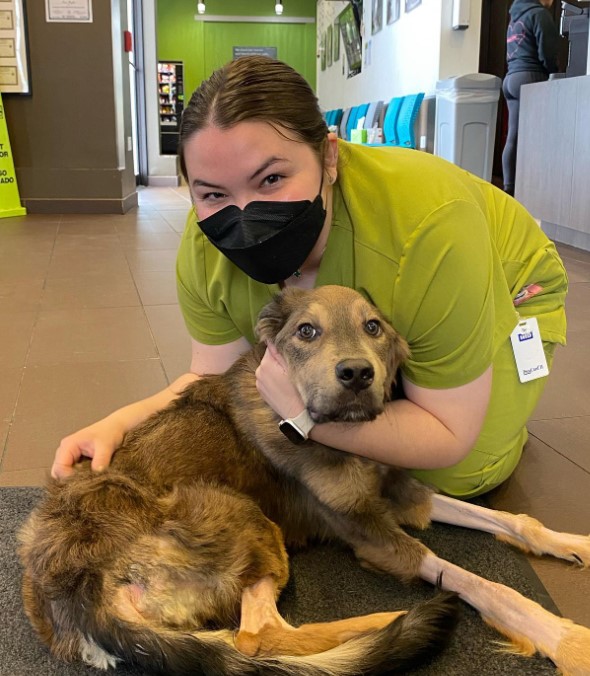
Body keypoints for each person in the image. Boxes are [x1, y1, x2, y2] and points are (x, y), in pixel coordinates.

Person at [52, 56, 568, 499]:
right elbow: (212, 376)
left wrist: (300, 415)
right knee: (360, 450)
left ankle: (473, 385)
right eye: (213, 194)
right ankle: (403, 388)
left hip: (516, 287)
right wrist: (122, 422)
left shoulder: (430, 226)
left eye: (271, 179)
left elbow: (448, 435)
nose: (245, 216)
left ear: (329, 156)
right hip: (397, 315)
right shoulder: (203, 247)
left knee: (451, 476)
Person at [502, 0, 560, 196]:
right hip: (531, 76)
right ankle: (535, 191)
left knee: (514, 136)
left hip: (511, 78)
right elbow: (548, 53)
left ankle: (509, 189)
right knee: (537, 139)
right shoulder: (539, 14)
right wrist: (556, 74)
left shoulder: (514, 17)